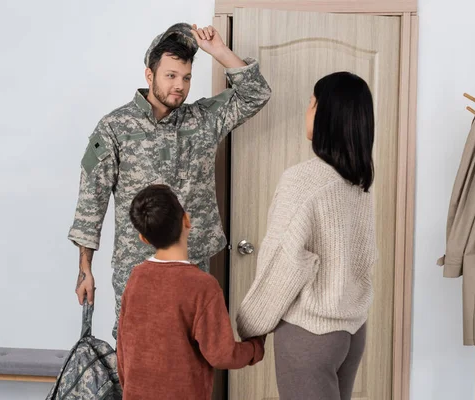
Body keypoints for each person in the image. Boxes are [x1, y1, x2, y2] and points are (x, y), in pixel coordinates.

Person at [67, 22, 271, 339]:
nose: (180, 85)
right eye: (171, 76)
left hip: (193, 263)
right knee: (136, 351)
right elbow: (90, 204)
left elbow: (256, 93)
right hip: (136, 265)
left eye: (186, 77)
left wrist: (218, 50)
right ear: (150, 76)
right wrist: (85, 270)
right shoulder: (114, 128)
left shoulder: (205, 119)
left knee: (193, 349)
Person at [236, 72, 378, 400]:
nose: (307, 111)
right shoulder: (358, 185)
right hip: (352, 331)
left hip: (310, 334)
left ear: (324, 112)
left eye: (311, 103)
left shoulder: (303, 181)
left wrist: (250, 326)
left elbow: (284, 262)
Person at [117, 184, 265, 399]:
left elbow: (123, 350)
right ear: (186, 220)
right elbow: (222, 355)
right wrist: (256, 347)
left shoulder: (136, 278)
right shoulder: (202, 285)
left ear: (144, 239)